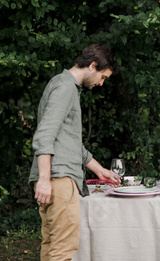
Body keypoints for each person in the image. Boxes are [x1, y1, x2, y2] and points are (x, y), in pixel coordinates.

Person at [28, 44, 121, 260]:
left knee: (51, 246)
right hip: (59, 179)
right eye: (103, 77)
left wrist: (100, 170)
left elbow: (68, 143)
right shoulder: (65, 88)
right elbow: (45, 134)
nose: (101, 83)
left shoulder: (61, 84)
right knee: (63, 250)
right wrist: (44, 179)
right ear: (92, 65)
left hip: (55, 178)